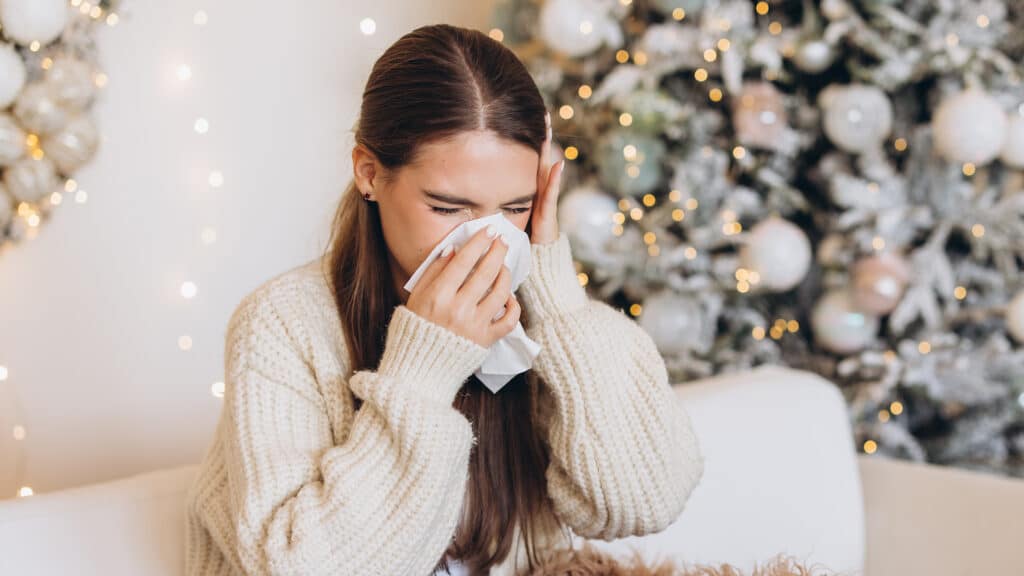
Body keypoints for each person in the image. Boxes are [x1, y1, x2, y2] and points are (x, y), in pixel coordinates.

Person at [183, 23, 704, 576]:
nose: (484, 242)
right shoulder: (283, 323)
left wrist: (554, 296)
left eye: (514, 208)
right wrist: (425, 365)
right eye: (449, 208)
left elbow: (643, 503)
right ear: (369, 174)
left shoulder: (541, 317)